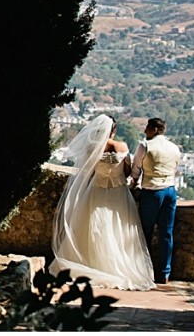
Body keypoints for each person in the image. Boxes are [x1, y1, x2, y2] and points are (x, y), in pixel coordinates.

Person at [49, 114, 155, 290]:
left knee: (94, 228)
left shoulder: (92, 148)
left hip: (96, 190)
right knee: (119, 227)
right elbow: (127, 171)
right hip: (118, 191)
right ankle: (116, 268)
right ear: (113, 130)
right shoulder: (121, 146)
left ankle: (93, 265)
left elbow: (87, 172)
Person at [130, 117, 181, 284]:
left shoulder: (145, 145)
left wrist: (134, 182)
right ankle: (165, 272)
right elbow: (175, 169)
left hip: (152, 191)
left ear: (155, 130)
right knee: (167, 232)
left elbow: (136, 168)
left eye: (148, 128)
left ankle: (145, 269)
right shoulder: (174, 148)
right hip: (170, 190)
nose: (145, 131)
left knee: (146, 230)